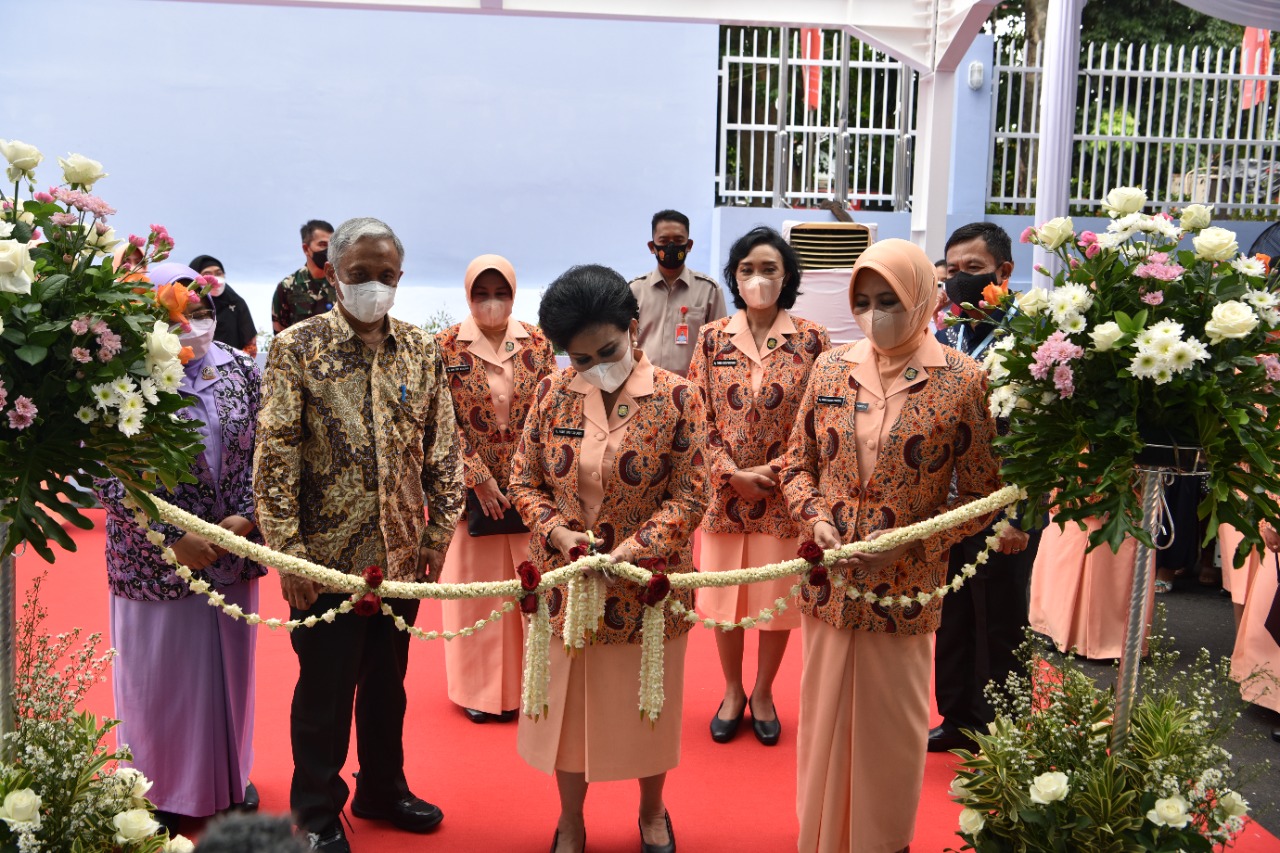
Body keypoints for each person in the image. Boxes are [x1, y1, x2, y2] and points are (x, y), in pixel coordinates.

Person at [780, 238, 1002, 853]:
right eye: (864, 301)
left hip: (906, 593)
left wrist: (907, 544)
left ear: (924, 300)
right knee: (822, 725)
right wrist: (816, 519)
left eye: (890, 301)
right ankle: (820, 839)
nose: (876, 314)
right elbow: (796, 466)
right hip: (829, 589)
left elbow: (984, 495)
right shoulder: (829, 368)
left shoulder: (962, 380)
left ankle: (883, 843)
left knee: (890, 733)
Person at [253, 217, 463, 853]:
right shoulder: (298, 349)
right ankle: (316, 815)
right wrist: (287, 554)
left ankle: (381, 787)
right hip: (326, 562)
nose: (374, 285)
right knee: (323, 690)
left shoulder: (421, 349)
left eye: (386, 275)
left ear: (400, 276)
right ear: (335, 274)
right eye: (359, 275)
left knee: (386, 684)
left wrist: (437, 536)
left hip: (401, 556)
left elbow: (444, 450)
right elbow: (275, 456)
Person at [508, 264, 708, 853]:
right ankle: (571, 820)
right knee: (567, 717)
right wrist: (559, 534)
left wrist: (629, 553)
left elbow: (692, 493)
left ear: (634, 326)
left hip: (645, 589)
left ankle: (652, 812)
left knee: (648, 705)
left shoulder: (678, 397)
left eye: (607, 350)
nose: (595, 366)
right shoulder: (552, 392)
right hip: (566, 587)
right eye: (580, 358)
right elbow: (524, 479)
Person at [96, 262, 263, 834]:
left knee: (230, 676)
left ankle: (228, 778)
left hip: (231, 551)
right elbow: (106, 472)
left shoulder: (242, 370)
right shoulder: (123, 374)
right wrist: (173, 538)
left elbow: (263, 451)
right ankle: (158, 789)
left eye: (203, 312)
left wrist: (246, 517)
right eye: (179, 315)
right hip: (153, 559)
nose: (195, 324)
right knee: (162, 678)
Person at [686, 227, 830, 746]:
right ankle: (731, 690)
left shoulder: (812, 340)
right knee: (725, 602)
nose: (758, 278)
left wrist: (777, 474)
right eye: (747, 269)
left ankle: (764, 691)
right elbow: (696, 417)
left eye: (768, 269)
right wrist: (730, 473)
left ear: (786, 276)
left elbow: (817, 420)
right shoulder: (712, 338)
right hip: (724, 495)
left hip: (784, 494)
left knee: (773, 599)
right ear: (734, 276)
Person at [929, 222, 1043, 753]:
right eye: (952, 271)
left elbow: (1047, 440)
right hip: (949, 503)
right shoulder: (946, 335)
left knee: (999, 616)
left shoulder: (1036, 340)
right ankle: (957, 716)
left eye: (972, 270)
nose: (960, 281)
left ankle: (1005, 728)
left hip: (1006, 503)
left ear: (1005, 272)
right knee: (952, 613)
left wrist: (1023, 514)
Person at [436, 254, 557, 723]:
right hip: (472, 497)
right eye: (482, 294)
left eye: (501, 293)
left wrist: (524, 478)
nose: (492, 302)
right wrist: (478, 476)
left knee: (532, 591)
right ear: (468, 295)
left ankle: (534, 687)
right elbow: (439, 419)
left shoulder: (539, 341)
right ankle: (480, 694)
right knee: (479, 595)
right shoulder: (444, 345)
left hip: (530, 491)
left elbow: (553, 407)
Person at [629, 209, 727, 377]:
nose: (671, 246)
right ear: (652, 247)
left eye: (678, 240)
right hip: (644, 387)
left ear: (689, 245)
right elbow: (624, 343)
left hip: (692, 390)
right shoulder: (634, 290)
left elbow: (720, 346)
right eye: (664, 241)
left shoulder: (709, 290)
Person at [271, 219, 336, 332]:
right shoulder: (287, 287)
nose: (329, 250)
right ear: (306, 249)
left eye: (332, 245)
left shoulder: (343, 283)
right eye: (323, 244)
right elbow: (280, 334)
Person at [189, 254, 259, 357]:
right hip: (195, 366)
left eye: (219, 273)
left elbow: (250, 344)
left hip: (232, 368)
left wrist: (242, 367)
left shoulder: (236, 302)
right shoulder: (187, 304)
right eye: (207, 273)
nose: (215, 278)